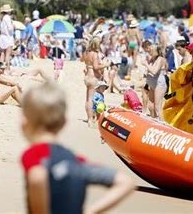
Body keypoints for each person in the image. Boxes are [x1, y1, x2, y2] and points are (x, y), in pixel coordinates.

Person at [20, 82, 134, 213]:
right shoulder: (76, 161)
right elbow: (125, 182)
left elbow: (37, 178)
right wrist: (90, 211)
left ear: (25, 121)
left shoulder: (35, 154)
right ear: (63, 123)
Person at [82, 37, 110, 126]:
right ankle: (91, 119)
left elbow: (87, 64)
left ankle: (89, 117)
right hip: (93, 77)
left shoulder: (87, 53)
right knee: (92, 99)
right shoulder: (94, 54)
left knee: (88, 99)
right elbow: (96, 67)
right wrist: (106, 65)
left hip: (87, 77)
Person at [144, 44, 167, 119]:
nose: (149, 51)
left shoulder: (160, 59)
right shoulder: (152, 59)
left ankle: (163, 124)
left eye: (151, 50)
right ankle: (154, 120)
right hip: (153, 84)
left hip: (159, 84)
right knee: (150, 106)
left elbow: (154, 71)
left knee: (158, 107)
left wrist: (146, 64)